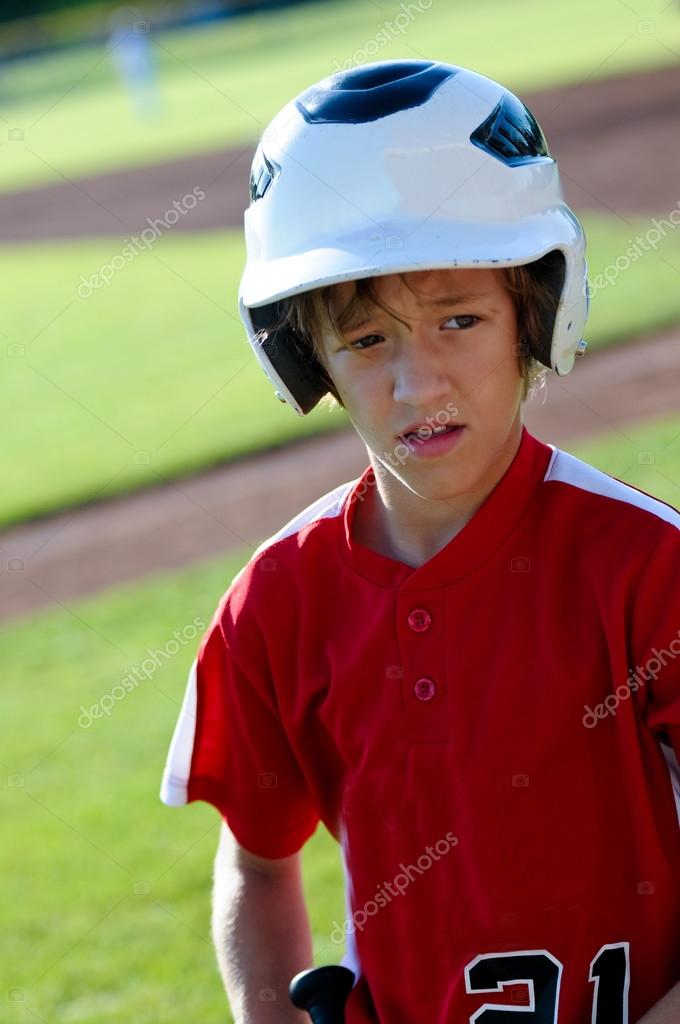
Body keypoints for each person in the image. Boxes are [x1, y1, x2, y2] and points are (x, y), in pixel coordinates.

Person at [159, 60, 680, 1023]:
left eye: (459, 319)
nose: (417, 384)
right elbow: (260, 865)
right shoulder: (276, 601)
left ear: (536, 313)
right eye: (366, 341)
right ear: (302, 353)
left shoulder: (650, 569)